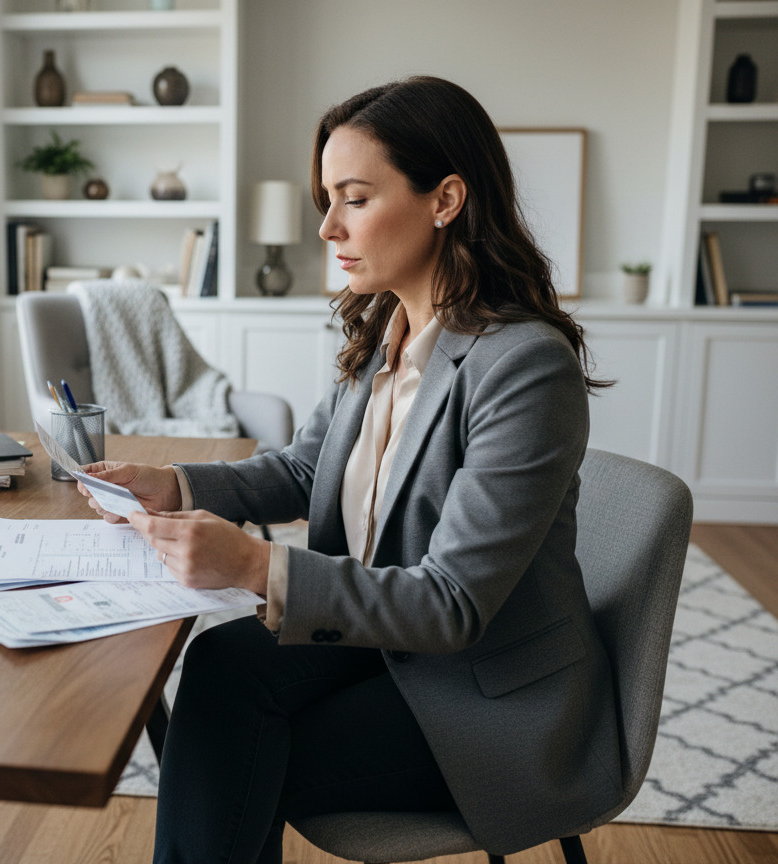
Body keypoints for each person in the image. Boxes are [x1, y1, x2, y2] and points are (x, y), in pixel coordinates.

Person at [77, 76, 621, 863]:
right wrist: (177, 485)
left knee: (233, 755)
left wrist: (259, 564)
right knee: (222, 668)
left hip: (484, 690)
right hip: (384, 637)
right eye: (326, 199)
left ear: (446, 199)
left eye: (355, 198)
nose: (328, 226)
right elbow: (306, 470)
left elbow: (453, 604)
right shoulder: (386, 328)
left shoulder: (524, 367)